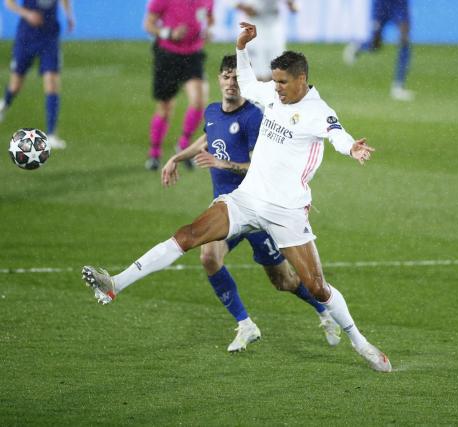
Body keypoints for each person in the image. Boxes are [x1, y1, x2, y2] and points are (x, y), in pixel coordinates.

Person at [81, 22, 391, 372]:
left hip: (286, 211)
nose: (276, 88)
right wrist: (241, 48)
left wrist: (352, 148)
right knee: (188, 236)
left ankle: (360, 342)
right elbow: (245, 83)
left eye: (283, 82)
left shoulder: (318, 111)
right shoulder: (273, 94)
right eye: (274, 81)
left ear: (302, 79)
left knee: (316, 287)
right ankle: (114, 284)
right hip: (246, 198)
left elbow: (336, 134)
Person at [159, 54, 341, 352]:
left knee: (283, 281)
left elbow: (257, 166)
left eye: (235, 77)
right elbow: (207, 138)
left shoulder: (256, 117)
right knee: (208, 258)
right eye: (226, 77)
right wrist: (177, 157)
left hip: (259, 206)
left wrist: (222, 163)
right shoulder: (213, 111)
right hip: (228, 209)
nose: (231, 83)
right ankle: (245, 324)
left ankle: (324, 312)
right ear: (218, 79)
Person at [143, 0, 214, 171]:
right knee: (165, 108)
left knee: (199, 101)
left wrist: (208, 31)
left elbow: (209, 18)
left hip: (193, 56)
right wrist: (168, 33)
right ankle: (154, 153)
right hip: (168, 56)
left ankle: (183, 144)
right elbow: (148, 24)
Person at [0, 0, 75, 149]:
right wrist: (27, 13)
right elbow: (8, 2)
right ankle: (4, 104)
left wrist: (69, 16)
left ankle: (52, 134)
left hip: (49, 35)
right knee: (15, 84)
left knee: (52, 82)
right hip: (27, 35)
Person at [343, 0, 414, 101]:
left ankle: (398, 87)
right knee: (375, 45)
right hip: (381, 3)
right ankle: (359, 46)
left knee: (404, 38)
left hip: (399, 3)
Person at [234, 0, 298, 81]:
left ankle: (273, 92)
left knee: (278, 69)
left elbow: (294, 8)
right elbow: (234, 3)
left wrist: (291, 4)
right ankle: (257, 92)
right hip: (255, 25)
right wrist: (245, 8)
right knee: (257, 73)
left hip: (274, 26)